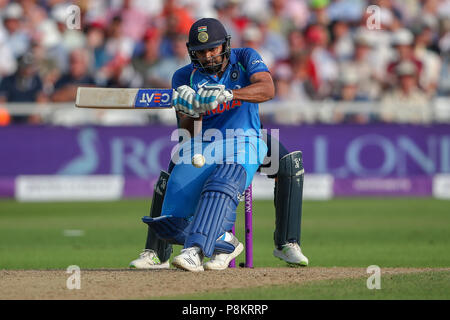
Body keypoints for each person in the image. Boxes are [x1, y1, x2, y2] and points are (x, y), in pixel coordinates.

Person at [129, 18, 309, 271]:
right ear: (192, 53)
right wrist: (193, 110)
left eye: (213, 49)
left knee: (289, 163)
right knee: (174, 170)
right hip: (206, 142)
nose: (208, 56)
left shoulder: (245, 57)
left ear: (224, 45)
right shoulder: (183, 76)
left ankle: (286, 243)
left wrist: (230, 94)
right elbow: (187, 134)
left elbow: (268, 89)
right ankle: (157, 252)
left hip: (247, 137)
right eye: (201, 52)